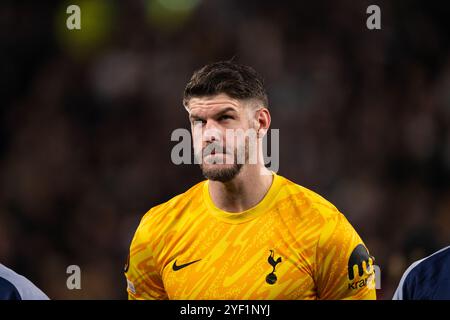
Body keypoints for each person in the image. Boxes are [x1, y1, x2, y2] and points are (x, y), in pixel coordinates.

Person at [124, 61, 376, 300]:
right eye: (198, 121)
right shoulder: (156, 232)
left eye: (225, 118)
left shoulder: (323, 229)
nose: (209, 134)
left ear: (261, 122)